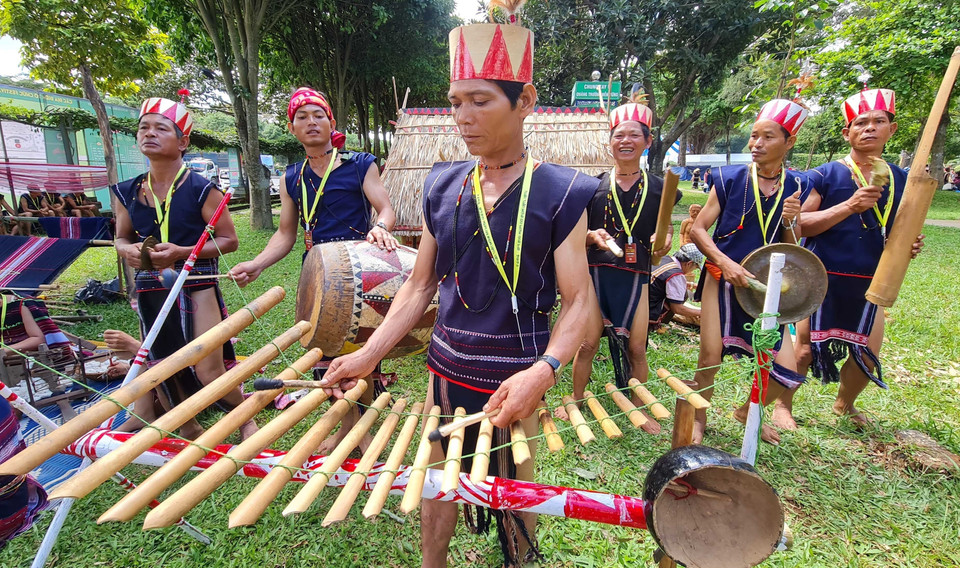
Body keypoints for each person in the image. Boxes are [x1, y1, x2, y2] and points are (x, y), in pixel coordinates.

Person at [319, 13, 598, 567]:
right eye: (455, 102)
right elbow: (419, 283)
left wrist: (544, 372)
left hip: (518, 371)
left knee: (516, 483)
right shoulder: (442, 184)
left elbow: (579, 300)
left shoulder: (561, 190)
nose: (463, 117)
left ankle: (518, 558)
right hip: (446, 368)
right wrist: (370, 354)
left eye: (480, 101)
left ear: (525, 101)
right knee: (436, 477)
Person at [772, 87, 924, 430]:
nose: (869, 128)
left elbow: (899, 230)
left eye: (878, 122)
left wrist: (907, 246)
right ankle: (783, 405)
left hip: (870, 278)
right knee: (804, 350)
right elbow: (799, 224)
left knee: (867, 353)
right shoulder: (825, 175)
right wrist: (849, 206)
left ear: (891, 129)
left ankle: (845, 404)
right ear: (847, 132)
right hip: (821, 273)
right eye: (861, 123)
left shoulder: (902, 180)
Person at [112, 93, 254, 441]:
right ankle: (187, 424)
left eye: (161, 128)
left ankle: (246, 418)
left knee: (208, 366)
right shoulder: (127, 192)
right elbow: (121, 237)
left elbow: (229, 241)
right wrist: (128, 250)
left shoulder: (200, 189)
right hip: (150, 286)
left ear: (183, 142)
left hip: (197, 282)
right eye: (144, 127)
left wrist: (182, 252)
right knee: (162, 363)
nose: (149, 133)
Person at [689, 97, 810, 445]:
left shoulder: (797, 186)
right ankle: (698, 417)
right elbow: (698, 229)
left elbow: (793, 245)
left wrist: (791, 220)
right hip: (722, 280)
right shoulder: (729, 178)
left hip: (768, 288)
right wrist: (724, 262)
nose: (756, 143)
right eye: (755, 136)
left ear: (789, 142)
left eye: (768, 137)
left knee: (785, 370)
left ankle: (746, 412)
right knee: (710, 356)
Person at [558, 96, 678, 432]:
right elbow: (573, 236)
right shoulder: (591, 187)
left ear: (648, 141)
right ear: (609, 142)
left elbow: (666, 230)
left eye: (634, 135)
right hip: (595, 276)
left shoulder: (660, 188)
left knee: (637, 348)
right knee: (587, 345)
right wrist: (590, 236)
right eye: (618, 135)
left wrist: (665, 239)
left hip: (636, 276)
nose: (625, 141)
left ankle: (639, 407)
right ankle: (575, 400)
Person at [649, 243, 703, 330]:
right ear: (689, 264)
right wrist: (702, 312)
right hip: (649, 310)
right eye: (695, 267)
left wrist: (689, 285)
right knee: (683, 294)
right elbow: (677, 309)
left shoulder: (664, 258)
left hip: (639, 302)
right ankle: (655, 324)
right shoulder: (676, 275)